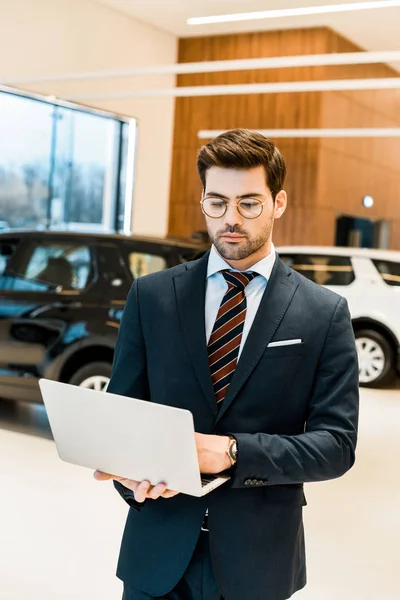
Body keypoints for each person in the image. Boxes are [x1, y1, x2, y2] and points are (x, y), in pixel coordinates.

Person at [95, 128, 359, 600]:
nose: (231, 219)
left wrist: (233, 452)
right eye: (216, 202)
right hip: (156, 552)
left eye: (249, 203)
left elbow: (336, 445)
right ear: (202, 202)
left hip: (258, 560)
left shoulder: (323, 312)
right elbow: (123, 413)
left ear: (278, 202)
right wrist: (129, 473)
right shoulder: (152, 296)